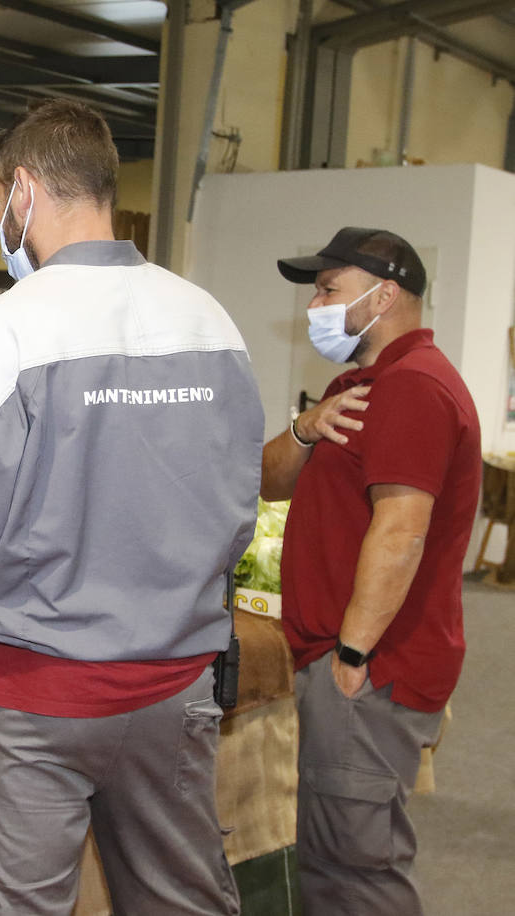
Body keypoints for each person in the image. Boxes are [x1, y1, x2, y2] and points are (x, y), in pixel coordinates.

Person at [0, 98, 262, 914]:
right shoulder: (210, 321)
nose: (2, 217)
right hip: (178, 688)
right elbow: (241, 511)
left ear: (21, 190)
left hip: (38, 699)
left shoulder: (9, 330)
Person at [265, 227, 480, 914]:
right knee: (336, 864)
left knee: (355, 876)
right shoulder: (361, 384)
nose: (314, 306)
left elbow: (402, 532)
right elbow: (267, 482)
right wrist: (306, 427)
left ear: (384, 294)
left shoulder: (413, 388)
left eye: (329, 290)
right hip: (346, 662)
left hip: (366, 670)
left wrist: (353, 653)